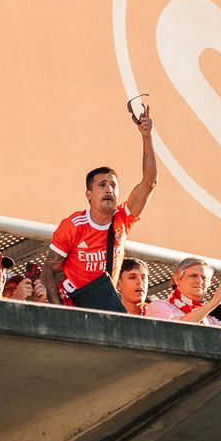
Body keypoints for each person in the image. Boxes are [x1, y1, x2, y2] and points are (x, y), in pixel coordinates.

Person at [45, 104, 157, 309]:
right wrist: (60, 310)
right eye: (102, 185)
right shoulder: (73, 225)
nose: (109, 190)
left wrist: (146, 136)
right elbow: (48, 271)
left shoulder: (123, 219)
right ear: (89, 194)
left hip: (105, 306)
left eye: (113, 185)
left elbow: (149, 181)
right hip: (74, 306)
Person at [146, 257, 221, 326]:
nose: (199, 281)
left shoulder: (209, 320)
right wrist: (213, 303)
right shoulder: (158, 306)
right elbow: (174, 329)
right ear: (177, 279)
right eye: (193, 276)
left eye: (204, 278)